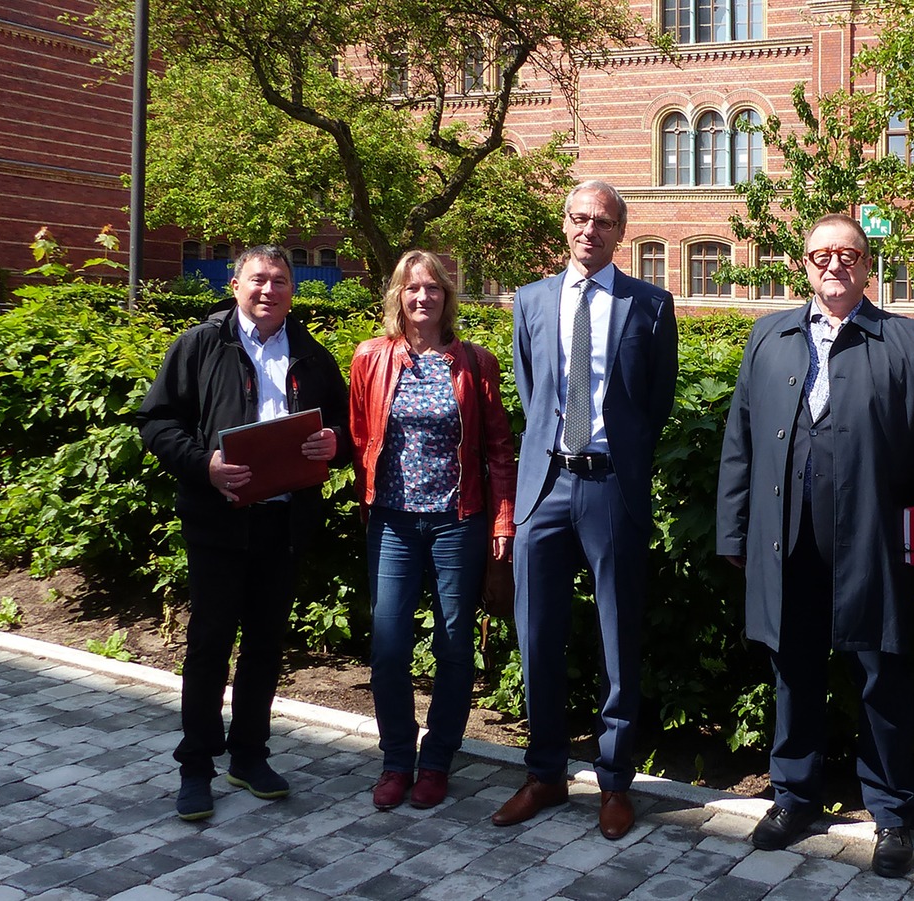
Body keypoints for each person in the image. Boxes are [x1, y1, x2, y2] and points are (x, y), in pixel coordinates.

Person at [716, 213, 914, 878]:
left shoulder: (908, 341)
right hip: (785, 538)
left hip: (873, 542)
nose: (833, 265)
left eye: (847, 254)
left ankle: (893, 812)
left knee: (881, 673)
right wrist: (734, 528)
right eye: (820, 254)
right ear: (804, 265)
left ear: (867, 265)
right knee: (792, 670)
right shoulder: (769, 335)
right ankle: (793, 796)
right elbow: (740, 439)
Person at [490, 180, 679, 840]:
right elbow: (531, 388)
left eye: (602, 220)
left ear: (620, 231)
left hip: (610, 486)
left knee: (617, 636)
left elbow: (655, 401)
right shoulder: (531, 299)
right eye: (578, 218)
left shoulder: (649, 303)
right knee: (537, 633)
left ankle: (615, 781)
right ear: (564, 224)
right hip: (545, 486)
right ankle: (544, 772)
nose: (588, 229)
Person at [138, 244, 350, 822]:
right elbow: (157, 422)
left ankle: (250, 755)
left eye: (280, 281)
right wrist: (203, 464)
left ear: (293, 291)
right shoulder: (201, 345)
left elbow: (345, 427)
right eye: (258, 279)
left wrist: (335, 442)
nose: (268, 290)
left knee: (264, 644)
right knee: (209, 644)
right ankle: (196, 766)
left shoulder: (311, 355)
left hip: (283, 523)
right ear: (235, 286)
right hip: (218, 520)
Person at [349, 250, 517, 811]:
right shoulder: (370, 358)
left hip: (457, 521)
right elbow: (360, 438)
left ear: (447, 297)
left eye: (433, 288)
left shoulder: (474, 363)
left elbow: (499, 447)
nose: (423, 297)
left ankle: (438, 760)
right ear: (397, 296)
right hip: (392, 522)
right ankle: (397, 760)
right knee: (389, 645)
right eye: (412, 288)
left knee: (453, 644)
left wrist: (501, 521)